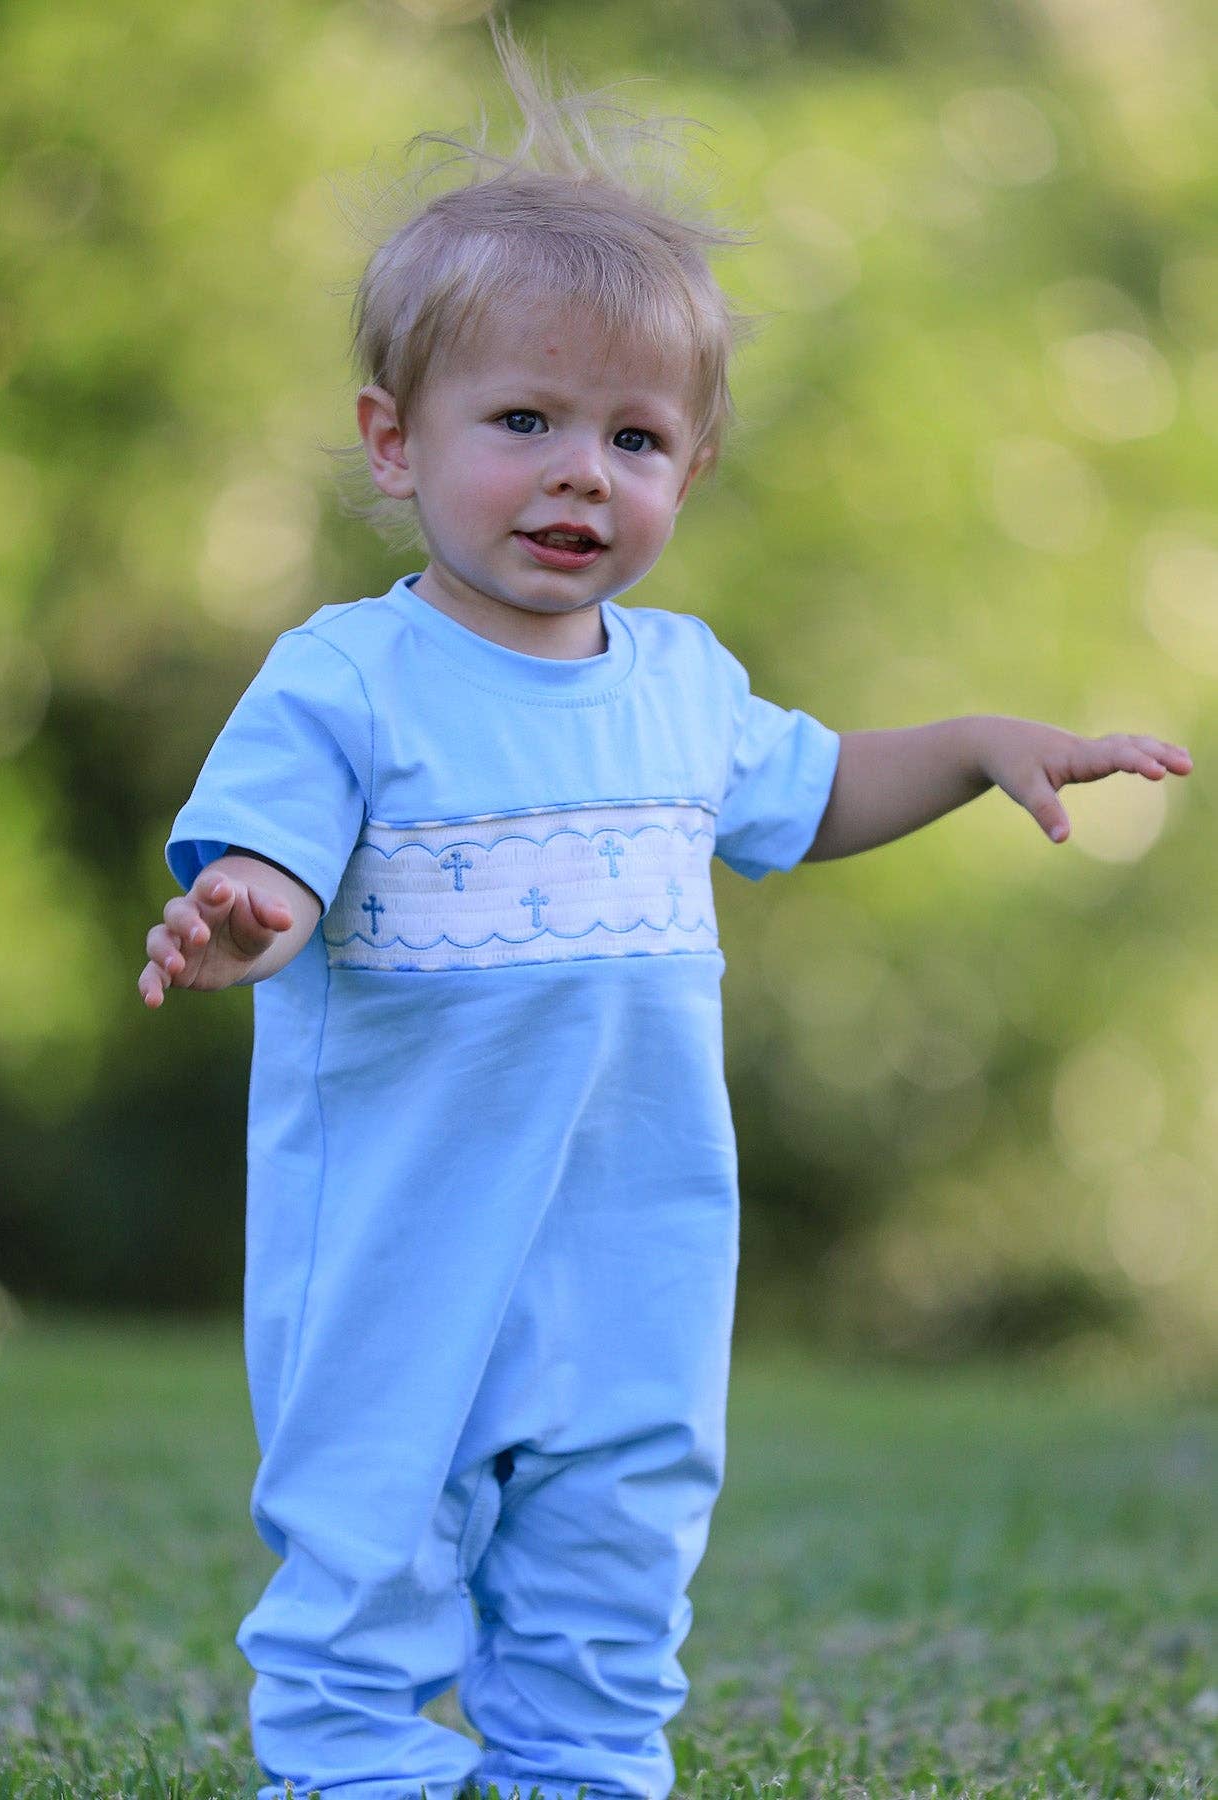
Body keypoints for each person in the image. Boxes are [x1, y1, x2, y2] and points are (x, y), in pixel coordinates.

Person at [137, 24, 1191, 1800]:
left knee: (615, 1557)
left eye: (633, 437)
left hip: (633, 1260)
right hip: (401, 1249)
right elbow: (278, 870)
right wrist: (249, 913)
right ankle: (356, 1771)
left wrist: (969, 747)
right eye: (524, 422)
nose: (580, 471)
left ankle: (582, 1768)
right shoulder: (347, 679)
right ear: (394, 441)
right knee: (374, 1541)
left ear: (686, 476)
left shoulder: (684, 687)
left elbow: (813, 792)